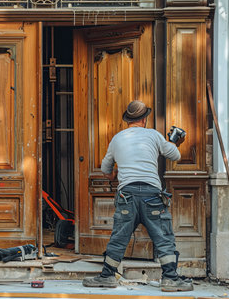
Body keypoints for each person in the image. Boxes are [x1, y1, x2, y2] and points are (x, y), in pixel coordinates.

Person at [82, 100, 193, 292]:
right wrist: (172, 142)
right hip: (152, 195)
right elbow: (174, 156)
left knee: (119, 237)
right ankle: (170, 279)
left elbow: (106, 169)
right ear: (144, 119)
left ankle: (108, 276)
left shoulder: (117, 139)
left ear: (128, 120)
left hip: (128, 196)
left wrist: (114, 174)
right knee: (163, 237)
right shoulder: (153, 135)